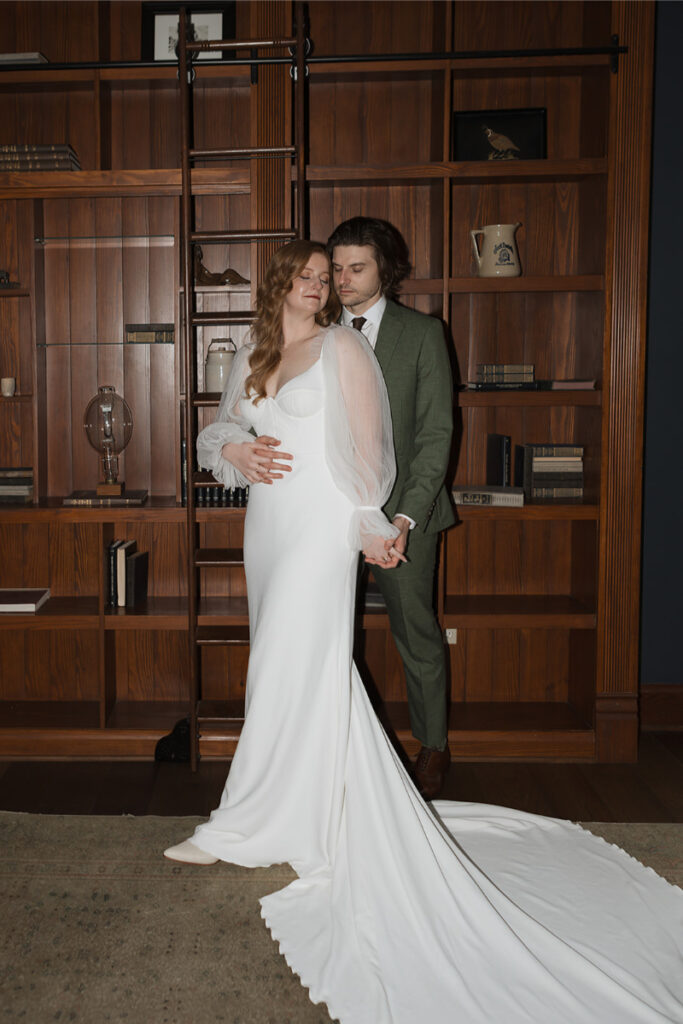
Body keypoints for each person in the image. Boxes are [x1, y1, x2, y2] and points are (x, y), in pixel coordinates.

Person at [164, 241, 683, 1024]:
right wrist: (233, 446)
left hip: (322, 527)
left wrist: (372, 525)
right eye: (303, 277)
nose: (316, 286)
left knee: (294, 663)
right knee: (285, 662)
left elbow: (374, 453)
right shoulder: (255, 348)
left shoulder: (342, 346)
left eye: (323, 277)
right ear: (280, 285)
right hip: (267, 527)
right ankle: (292, 807)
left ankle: (248, 821)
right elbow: (222, 430)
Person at [327, 217, 454, 799]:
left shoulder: (423, 333)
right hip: (329, 515)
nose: (343, 279)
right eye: (336, 267)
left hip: (407, 515)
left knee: (414, 629)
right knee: (325, 631)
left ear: (386, 270)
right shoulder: (319, 331)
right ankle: (335, 750)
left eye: (357, 268)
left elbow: (435, 436)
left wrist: (403, 520)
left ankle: (433, 746)